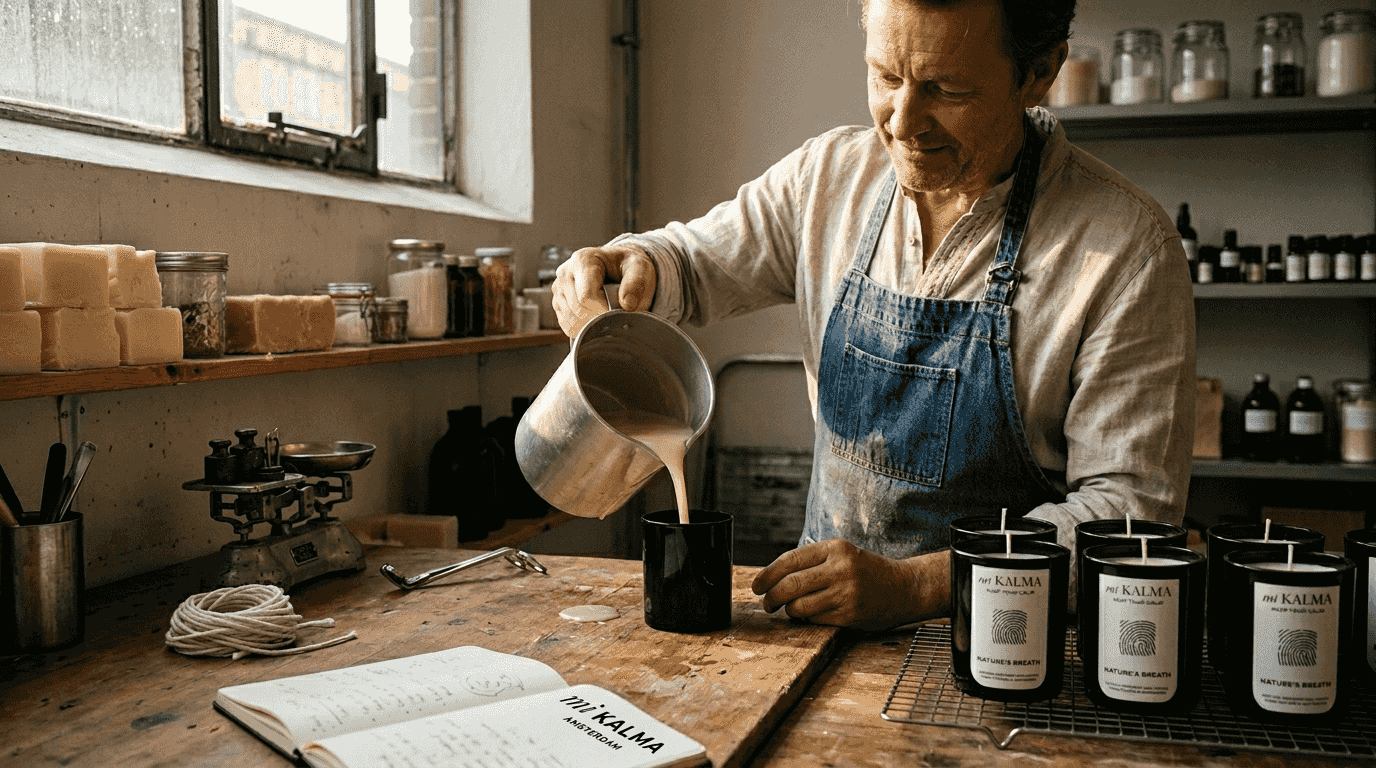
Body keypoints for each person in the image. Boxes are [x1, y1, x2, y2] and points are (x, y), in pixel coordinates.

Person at [551, 0, 1195, 631]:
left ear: (1040, 73)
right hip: (819, 629)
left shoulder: (1126, 249)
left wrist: (916, 584)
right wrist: (633, 264)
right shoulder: (828, 179)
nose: (904, 121)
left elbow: (1130, 519)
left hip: (1003, 653)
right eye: (886, 77)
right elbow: (694, 262)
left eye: (947, 88)